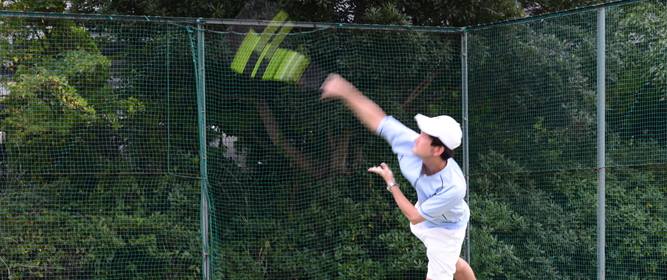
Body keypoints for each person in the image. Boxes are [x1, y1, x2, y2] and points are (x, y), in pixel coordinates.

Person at [320, 74, 476, 280]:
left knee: (444, 263)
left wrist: (391, 183)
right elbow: (379, 120)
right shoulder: (413, 145)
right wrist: (345, 91)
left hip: (445, 231)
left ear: (437, 150)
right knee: (453, 263)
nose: (416, 137)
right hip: (425, 216)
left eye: (424, 137)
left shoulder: (454, 187)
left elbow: (414, 216)